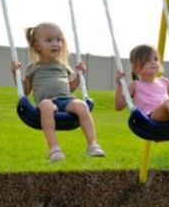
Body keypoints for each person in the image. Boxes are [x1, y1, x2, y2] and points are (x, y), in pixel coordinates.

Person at [10, 22, 105, 163]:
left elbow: (70, 88)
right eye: (49, 40)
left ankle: (92, 144)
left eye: (59, 40)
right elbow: (25, 91)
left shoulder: (63, 66)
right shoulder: (33, 67)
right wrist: (15, 73)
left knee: (82, 105)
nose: (55, 43)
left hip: (66, 100)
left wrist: (80, 75)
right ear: (37, 46)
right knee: (46, 106)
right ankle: (54, 148)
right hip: (48, 102)